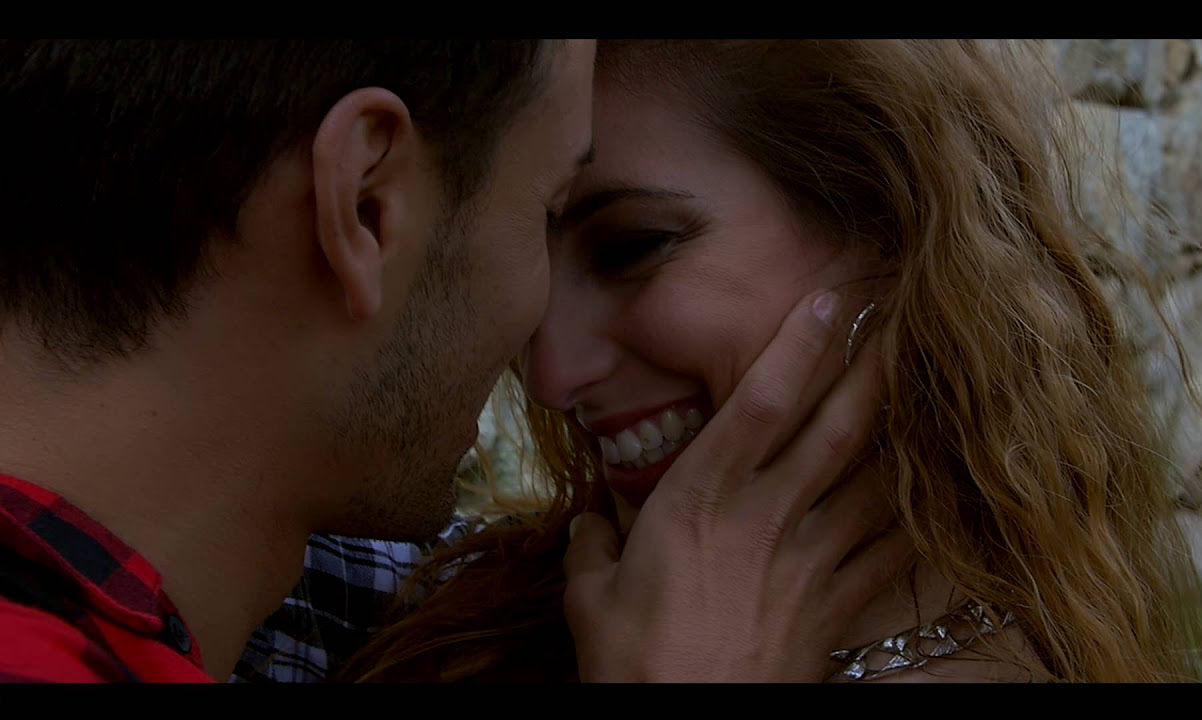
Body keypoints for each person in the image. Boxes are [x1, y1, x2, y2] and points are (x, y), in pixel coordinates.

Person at [241, 39, 1202, 683]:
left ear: (893, 226)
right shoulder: (413, 602)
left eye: (633, 246)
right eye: (536, 257)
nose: (551, 376)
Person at [0, 38, 897, 684]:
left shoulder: (350, 601)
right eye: (541, 209)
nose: (550, 378)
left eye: (628, 246)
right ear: (366, 206)